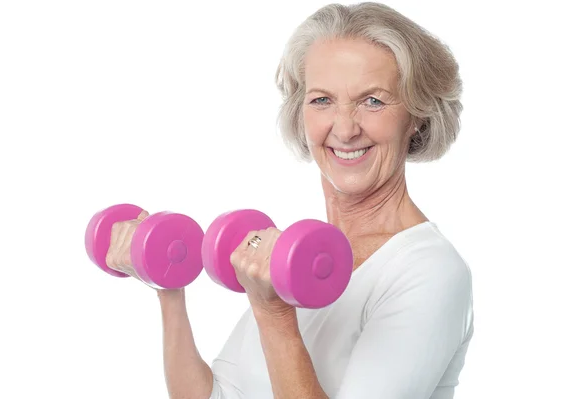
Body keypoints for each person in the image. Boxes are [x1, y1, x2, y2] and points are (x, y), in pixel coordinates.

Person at [107, 2, 474, 398]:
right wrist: (168, 289)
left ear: (417, 114)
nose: (345, 128)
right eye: (322, 100)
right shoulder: (295, 257)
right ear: (300, 114)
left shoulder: (430, 272)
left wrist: (275, 314)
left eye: (373, 101)